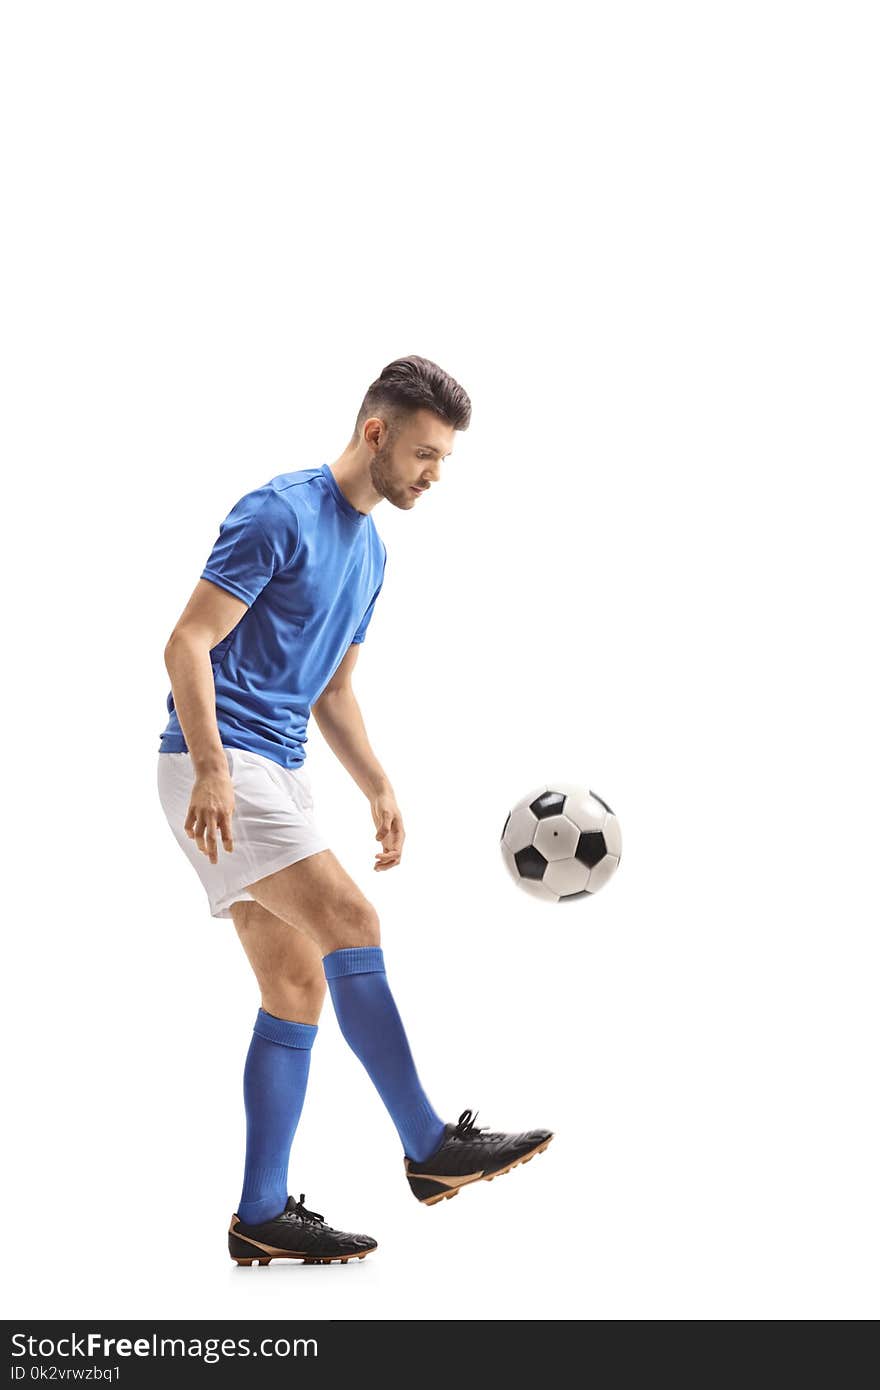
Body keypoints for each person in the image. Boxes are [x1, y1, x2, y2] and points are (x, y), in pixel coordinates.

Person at [157, 354, 553, 1267]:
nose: (434, 474)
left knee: (295, 987)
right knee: (353, 920)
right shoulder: (278, 512)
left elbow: (334, 691)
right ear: (375, 433)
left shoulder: (373, 551)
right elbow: (186, 641)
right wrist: (213, 766)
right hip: (218, 761)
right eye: (423, 453)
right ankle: (427, 1144)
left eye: (443, 458)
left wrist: (375, 781)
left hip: (276, 768)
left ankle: (260, 1214)